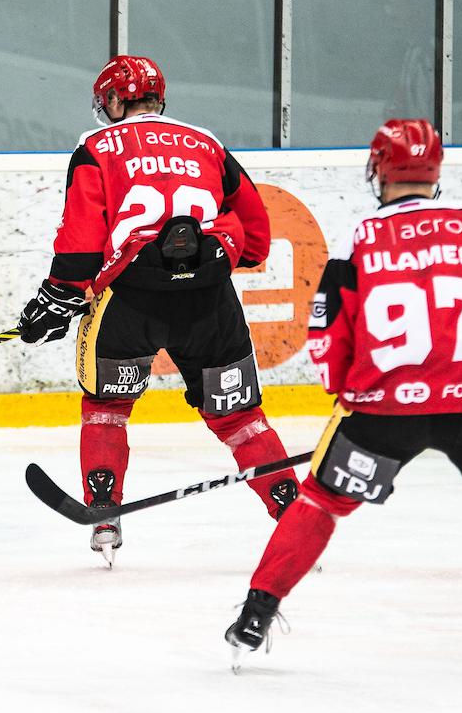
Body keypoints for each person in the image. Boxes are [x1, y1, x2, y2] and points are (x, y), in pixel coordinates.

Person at [225, 119, 462, 666]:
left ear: (379, 170)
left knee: (321, 501)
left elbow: (327, 328)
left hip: (385, 409)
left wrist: (348, 396)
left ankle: (257, 614)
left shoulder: (364, 237)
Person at [17, 55, 300, 567]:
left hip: (128, 301)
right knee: (240, 418)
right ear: (158, 98)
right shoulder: (208, 144)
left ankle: (104, 515)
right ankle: (294, 514)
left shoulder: (96, 147)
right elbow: (256, 237)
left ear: (113, 101)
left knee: (107, 408)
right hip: (209, 303)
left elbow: (81, 239)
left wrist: (56, 297)